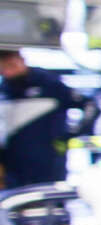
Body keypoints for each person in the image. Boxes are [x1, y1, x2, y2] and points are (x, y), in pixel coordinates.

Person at [0, 48, 83, 188]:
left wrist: (68, 136)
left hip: (48, 159)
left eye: (11, 65)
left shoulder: (50, 83)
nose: (8, 71)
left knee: (50, 195)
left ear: (21, 60)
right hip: (14, 163)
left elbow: (88, 105)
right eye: (3, 67)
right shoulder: (4, 90)